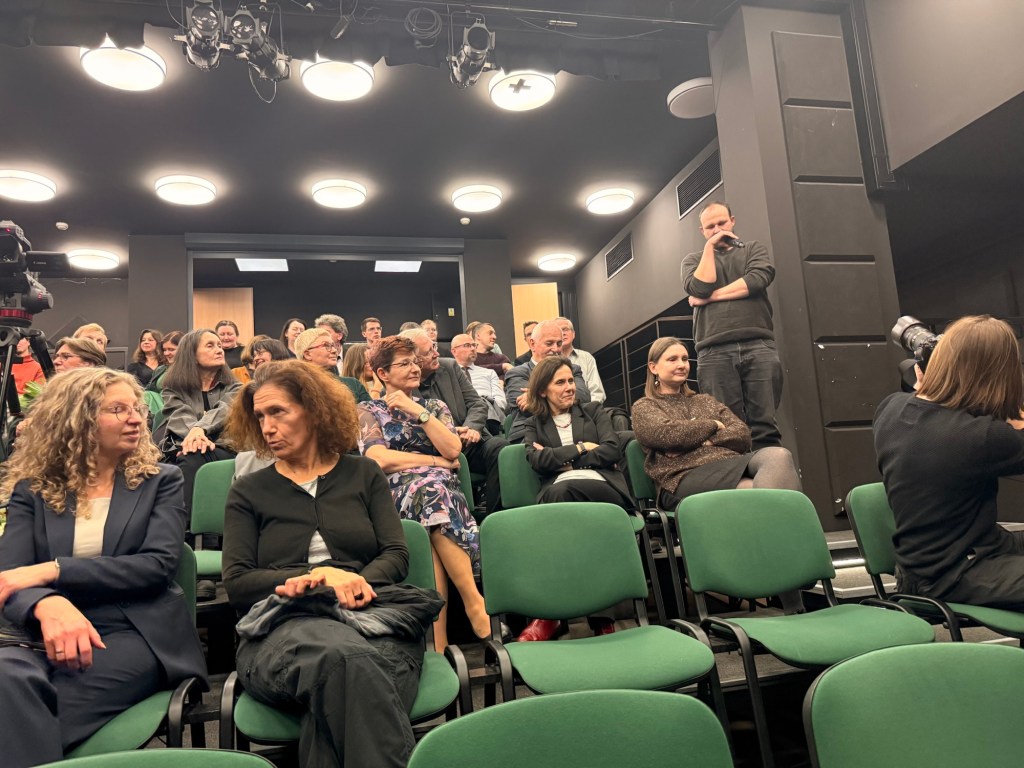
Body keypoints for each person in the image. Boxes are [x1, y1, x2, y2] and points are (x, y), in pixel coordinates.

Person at [0, 368, 207, 767]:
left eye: (137, 409)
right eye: (118, 409)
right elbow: (11, 573)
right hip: (40, 630)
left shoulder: (161, 480)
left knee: (23, 717)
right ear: (76, 418)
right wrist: (47, 604)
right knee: (8, 680)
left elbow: (156, 566)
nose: (136, 419)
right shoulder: (34, 488)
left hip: (132, 630)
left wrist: (54, 571)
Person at [222, 360, 425, 768]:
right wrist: (319, 577)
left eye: (278, 412)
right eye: (260, 417)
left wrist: (355, 584)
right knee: (350, 665)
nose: (267, 427)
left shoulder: (363, 474)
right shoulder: (249, 491)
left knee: (346, 684)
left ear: (314, 411)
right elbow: (239, 581)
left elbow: (396, 555)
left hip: (373, 616)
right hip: (283, 625)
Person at [873, 315, 1024, 608]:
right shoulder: (982, 437)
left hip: (920, 565)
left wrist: (933, 387)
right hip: (952, 572)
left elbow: (931, 413)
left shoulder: (889, 408)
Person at [358, 336, 491, 651]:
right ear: (382, 373)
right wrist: (434, 462)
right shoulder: (368, 409)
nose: (414, 368)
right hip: (396, 492)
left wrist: (417, 411)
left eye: (415, 361)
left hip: (440, 492)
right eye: (404, 363)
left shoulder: (434, 407)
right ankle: (474, 601)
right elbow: (378, 459)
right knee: (428, 493)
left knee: (431, 502)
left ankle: (438, 642)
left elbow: (454, 449)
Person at [518, 356, 634, 642]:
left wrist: (563, 461)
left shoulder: (593, 411)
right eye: (560, 382)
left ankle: (550, 614)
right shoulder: (534, 423)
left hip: (603, 487)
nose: (570, 387)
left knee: (558, 496)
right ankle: (602, 618)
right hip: (561, 491)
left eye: (571, 380)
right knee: (578, 525)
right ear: (542, 390)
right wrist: (582, 448)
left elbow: (611, 450)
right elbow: (537, 461)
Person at [631, 337, 800, 510]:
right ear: (653, 367)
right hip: (682, 476)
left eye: (685, 359)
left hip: (729, 463)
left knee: (779, 455)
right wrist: (713, 424)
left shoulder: (704, 401)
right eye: (672, 359)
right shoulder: (645, 406)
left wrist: (706, 441)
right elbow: (669, 435)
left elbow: (742, 434)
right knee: (757, 488)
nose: (682, 365)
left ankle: (778, 525)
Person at [681, 201, 783, 448]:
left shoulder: (753, 249)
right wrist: (709, 248)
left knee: (765, 425)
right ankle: (737, 474)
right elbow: (700, 287)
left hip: (758, 343)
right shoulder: (693, 260)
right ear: (702, 231)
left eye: (722, 223)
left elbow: (757, 280)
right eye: (710, 227)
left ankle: (768, 472)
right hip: (713, 350)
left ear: (732, 221)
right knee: (725, 428)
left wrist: (709, 298)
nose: (717, 230)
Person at [404, 328, 508, 516]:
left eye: (434, 347)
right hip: (434, 450)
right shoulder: (402, 383)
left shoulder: (450, 367)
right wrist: (451, 434)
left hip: (469, 442)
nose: (436, 353)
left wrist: (472, 427)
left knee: (500, 449)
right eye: (428, 352)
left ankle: (495, 517)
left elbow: (477, 403)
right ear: (413, 359)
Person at [161, 328, 241, 521]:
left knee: (190, 457)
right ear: (192, 355)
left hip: (227, 447)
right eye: (210, 345)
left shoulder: (236, 387)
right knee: (189, 456)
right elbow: (179, 415)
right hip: (188, 447)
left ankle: (181, 528)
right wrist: (195, 437)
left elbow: (226, 410)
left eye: (219, 346)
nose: (219, 349)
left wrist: (199, 430)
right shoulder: (173, 389)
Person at [504, 320, 591, 444]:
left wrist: (534, 394)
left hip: (573, 428)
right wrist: (563, 398)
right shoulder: (517, 373)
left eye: (559, 343)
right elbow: (527, 407)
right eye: (549, 343)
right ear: (532, 344)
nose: (555, 349)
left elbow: (584, 397)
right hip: (531, 433)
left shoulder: (573, 369)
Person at [294, 327, 370, 403]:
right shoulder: (294, 389)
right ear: (307, 354)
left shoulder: (353, 385)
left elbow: (373, 410)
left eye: (333, 346)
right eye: (326, 346)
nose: (334, 351)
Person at [450, 332, 506, 434]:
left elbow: (501, 401)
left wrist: (483, 405)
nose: (472, 349)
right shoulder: (449, 374)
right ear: (454, 351)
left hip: (488, 418)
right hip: (459, 419)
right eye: (467, 345)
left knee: (482, 402)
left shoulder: (489, 373)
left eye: (474, 345)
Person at [554, 316, 606, 404]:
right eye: (559, 330)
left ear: (573, 334)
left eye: (566, 329)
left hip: (587, 409)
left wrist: (588, 410)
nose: (563, 333)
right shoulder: (549, 360)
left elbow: (597, 393)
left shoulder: (586, 357)